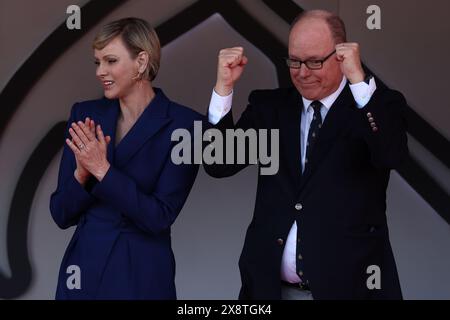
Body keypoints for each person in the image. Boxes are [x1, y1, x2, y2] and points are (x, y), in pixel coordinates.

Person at [204, 10, 408, 299]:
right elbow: (219, 163)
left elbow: (391, 155)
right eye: (294, 61)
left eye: (314, 61)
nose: (302, 72)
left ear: (342, 55)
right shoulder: (270, 108)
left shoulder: (376, 106)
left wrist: (359, 82)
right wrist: (224, 88)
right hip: (270, 292)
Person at [50, 17, 203, 299]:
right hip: (83, 272)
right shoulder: (85, 114)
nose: (100, 71)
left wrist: (102, 171)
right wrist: (81, 176)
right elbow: (60, 213)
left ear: (141, 62)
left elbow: (159, 217)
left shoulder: (185, 126)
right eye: (97, 62)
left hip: (142, 275)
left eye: (110, 60)